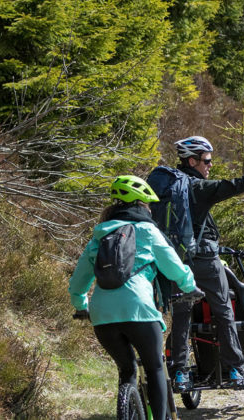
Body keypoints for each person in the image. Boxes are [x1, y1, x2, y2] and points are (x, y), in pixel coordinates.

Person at [166, 135, 244, 391]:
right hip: (204, 261)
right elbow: (240, 184)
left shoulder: (169, 187)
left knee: (181, 317)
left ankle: (180, 373)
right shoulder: (199, 188)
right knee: (224, 310)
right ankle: (236, 368)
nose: (210, 166)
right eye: (206, 161)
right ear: (192, 161)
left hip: (175, 261)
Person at [68, 176, 202, 420]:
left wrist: (81, 305)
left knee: (126, 369)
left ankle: (127, 408)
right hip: (139, 310)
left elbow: (78, 282)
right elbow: (173, 266)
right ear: (141, 205)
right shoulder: (147, 231)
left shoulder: (99, 235)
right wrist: (190, 286)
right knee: (155, 368)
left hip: (102, 315)